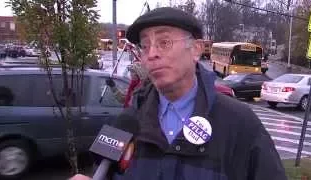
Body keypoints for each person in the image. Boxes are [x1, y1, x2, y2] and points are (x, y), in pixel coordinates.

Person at [70, 7, 287, 180]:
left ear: (196, 49)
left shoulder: (240, 123)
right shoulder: (127, 121)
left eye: (164, 42)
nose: (152, 54)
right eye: (145, 46)